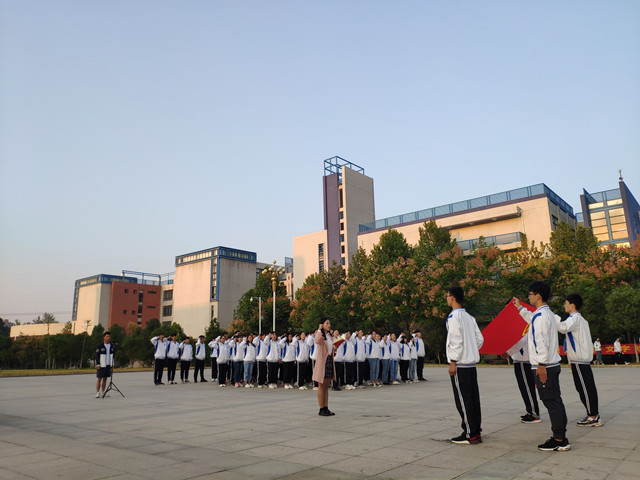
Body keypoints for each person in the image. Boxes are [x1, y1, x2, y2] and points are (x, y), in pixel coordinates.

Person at [513, 281, 570, 452]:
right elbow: (531, 318)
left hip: (545, 366)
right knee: (555, 400)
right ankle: (561, 435)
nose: (529, 297)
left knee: (551, 401)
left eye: (530, 294)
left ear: (538, 295)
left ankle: (559, 439)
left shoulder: (541, 317)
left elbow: (541, 342)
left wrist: (541, 365)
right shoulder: (546, 314)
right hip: (551, 364)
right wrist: (520, 308)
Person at [558, 293, 603, 427]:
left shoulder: (574, 319)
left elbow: (562, 327)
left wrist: (551, 316)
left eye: (566, 303)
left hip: (580, 361)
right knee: (584, 387)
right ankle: (592, 414)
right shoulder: (579, 319)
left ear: (572, 305)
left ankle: (593, 416)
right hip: (580, 360)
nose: (564, 306)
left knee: (585, 388)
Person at [446, 286, 484, 445]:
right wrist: (471, 350)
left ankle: (470, 433)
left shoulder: (453, 317)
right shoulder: (469, 317)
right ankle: (476, 431)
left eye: (447, 296)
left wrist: (453, 361)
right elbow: (480, 339)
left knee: (463, 400)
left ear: (453, 297)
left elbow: (456, 341)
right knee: (473, 399)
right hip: (471, 365)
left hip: (461, 365)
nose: (447, 299)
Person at [506, 332, 540, 424]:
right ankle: (530, 411)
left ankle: (534, 413)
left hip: (523, 361)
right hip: (520, 360)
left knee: (527, 388)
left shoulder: (525, 327)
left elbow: (520, 342)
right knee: (524, 388)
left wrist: (507, 352)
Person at [313, 318, 336, 416]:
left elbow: (331, 349)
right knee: (321, 386)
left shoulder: (329, 336)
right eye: (327, 323)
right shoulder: (320, 335)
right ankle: (321, 408)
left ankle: (326, 407)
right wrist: (319, 330)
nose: (329, 325)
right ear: (322, 324)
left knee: (326, 386)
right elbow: (316, 340)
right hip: (323, 362)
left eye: (329, 323)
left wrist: (335, 348)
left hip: (329, 360)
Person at [95, 331, 114, 398]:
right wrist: (98, 364)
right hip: (101, 365)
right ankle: (97, 393)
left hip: (108, 365)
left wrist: (112, 364)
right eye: (107, 336)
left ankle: (103, 392)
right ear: (104, 337)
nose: (108, 338)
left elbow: (112, 355)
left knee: (105, 379)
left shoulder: (111, 345)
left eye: (109, 337)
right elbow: (97, 356)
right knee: (99, 379)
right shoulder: (100, 346)